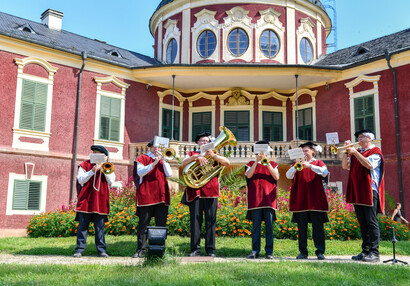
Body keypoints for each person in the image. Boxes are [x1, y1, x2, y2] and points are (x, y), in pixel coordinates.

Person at [181, 131, 230, 257]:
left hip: (211, 191)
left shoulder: (215, 154)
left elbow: (227, 163)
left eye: (207, 141)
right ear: (198, 142)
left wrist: (213, 156)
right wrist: (195, 158)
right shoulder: (192, 154)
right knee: (195, 222)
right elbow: (183, 164)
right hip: (195, 192)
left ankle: (210, 249)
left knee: (211, 221)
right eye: (202, 141)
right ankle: (195, 249)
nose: (204, 143)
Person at [342, 129, 385, 262]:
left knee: (371, 222)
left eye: (361, 137)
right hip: (357, 190)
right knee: (362, 222)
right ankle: (365, 251)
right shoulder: (357, 153)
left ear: (369, 139)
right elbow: (344, 166)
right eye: (358, 137)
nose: (359, 140)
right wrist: (346, 152)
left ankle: (374, 252)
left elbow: (369, 164)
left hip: (369, 190)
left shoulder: (375, 151)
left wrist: (354, 152)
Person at [286, 142, 329, 260]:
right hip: (302, 199)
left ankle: (320, 251)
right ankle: (303, 252)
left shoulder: (318, 163)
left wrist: (310, 166)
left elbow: (325, 172)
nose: (304, 153)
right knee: (302, 228)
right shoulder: (297, 164)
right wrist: (296, 166)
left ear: (313, 151)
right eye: (303, 151)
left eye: (306, 151)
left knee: (318, 228)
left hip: (316, 199)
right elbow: (288, 176)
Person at [132, 138, 172, 258]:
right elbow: (140, 173)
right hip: (147, 195)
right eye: (155, 147)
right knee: (144, 224)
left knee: (161, 224)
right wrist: (153, 163)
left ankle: (160, 249)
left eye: (159, 147)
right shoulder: (142, 158)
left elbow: (169, 174)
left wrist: (163, 161)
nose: (157, 149)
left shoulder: (163, 159)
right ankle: (141, 249)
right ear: (150, 147)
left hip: (161, 196)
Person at [74, 145, 115, 258]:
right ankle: (79, 250)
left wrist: (105, 170)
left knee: (99, 227)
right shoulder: (84, 165)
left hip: (100, 200)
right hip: (86, 199)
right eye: (94, 152)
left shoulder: (108, 166)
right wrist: (92, 171)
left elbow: (111, 181)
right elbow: (81, 180)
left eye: (99, 153)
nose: (96, 155)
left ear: (104, 156)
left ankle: (101, 250)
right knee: (83, 226)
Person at [245, 141, 280, 259]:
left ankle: (269, 252)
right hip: (255, 201)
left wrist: (267, 163)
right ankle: (255, 251)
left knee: (269, 227)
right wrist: (256, 161)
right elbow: (249, 175)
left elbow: (276, 177)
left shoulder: (273, 164)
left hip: (269, 200)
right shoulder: (250, 163)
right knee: (256, 228)